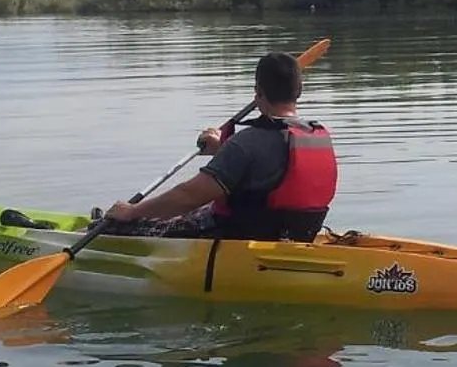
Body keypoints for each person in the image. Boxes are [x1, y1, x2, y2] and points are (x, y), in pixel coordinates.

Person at [97, 51, 338, 239]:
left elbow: (188, 196)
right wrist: (224, 147)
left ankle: (100, 224)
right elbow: (269, 168)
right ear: (299, 91)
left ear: (258, 92)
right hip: (294, 235)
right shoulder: (316, 134)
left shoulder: (247, 143)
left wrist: (132, 211)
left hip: (239, 238)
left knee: (126, 225)